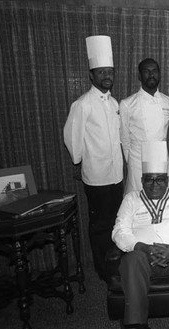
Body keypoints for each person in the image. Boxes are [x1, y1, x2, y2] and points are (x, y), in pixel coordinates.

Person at [112, 141, 169, 329]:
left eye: (160, 179)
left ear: (167, 179)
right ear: (142, 180)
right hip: (143, 259)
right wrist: (143, 248)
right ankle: (137, 323)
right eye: (149, 179)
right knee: (131, 260)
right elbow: (119, 231)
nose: (155, 184)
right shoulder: (131, 199)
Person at [63, 35, 123, 280]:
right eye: (101, 72)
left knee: (115, 221)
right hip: (96, 175)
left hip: (116, 174)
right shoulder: (82, 104)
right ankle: (102, 268)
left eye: (110, 71)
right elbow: (71, 136)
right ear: (91, 75)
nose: (106, 76)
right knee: (100, 225)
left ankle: (115, 263)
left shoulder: (114, 103)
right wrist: (78, 161)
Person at [120, 58, 169, 195]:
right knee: (137, 202)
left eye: (155, 71)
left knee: (166, 202)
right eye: (146, 71)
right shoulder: (127, 104)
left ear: (160, 74)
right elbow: (124, 138)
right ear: (139, 76)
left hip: (163, 160)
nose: (151, 75)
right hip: (138, 162)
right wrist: (132, 163)